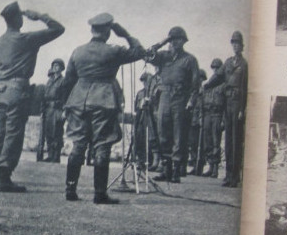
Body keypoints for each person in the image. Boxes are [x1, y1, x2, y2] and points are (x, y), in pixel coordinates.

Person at [60, 14, 144, 204]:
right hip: (104, 100)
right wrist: (126, 35)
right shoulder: (113, 51)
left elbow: (68, 81)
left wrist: (66, 104)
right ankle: (99, 193)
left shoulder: (78, 51)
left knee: (78, 145)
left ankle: (70, 189)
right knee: (102, 145)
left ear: (92, 30)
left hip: (79, 100)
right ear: (108, 31)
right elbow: (139, 52)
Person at [0, 1, 64, 192]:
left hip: (0, 91)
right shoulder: (26, 39)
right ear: (19, 19)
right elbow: (58, 29)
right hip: (18, 89)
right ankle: (4, 176)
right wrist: (40, 16)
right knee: (13, 132)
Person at [144, 26, 199, 183]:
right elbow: (147, 55)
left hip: (180, 98)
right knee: (162, 132)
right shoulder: (163, 56)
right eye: (172, 39)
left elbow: (195, 85)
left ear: (183, 41)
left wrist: (191, 101)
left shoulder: (190, 60)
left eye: (178, 39)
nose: (175, 42)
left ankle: (176, 171)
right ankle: (166, 168)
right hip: (164, 97)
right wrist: (162, 42)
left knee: (179, 134)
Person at [202, 30, 248, 187]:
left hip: (237, 103)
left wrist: (243, 108)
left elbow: (245, 87)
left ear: (242, 46)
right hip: (227, 103)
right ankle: (228, 176)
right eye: (233, 43)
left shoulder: (244, 64)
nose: (236, 46)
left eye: (238, 44)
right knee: (228, 141)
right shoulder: (228, 63)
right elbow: (218, 77)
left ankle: (235, 177)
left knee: (236, 141)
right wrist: (206, 85)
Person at [37, 59, 67, 163]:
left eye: (57, 65)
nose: (55, 67)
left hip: (57, 110)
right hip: (48, 110)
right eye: (54, 65)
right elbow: (44, 96)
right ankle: (50, 155)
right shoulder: (49, 81)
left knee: (56, 134)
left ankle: (55, 157)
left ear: (61, 68)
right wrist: (42, 111)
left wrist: (64, 111)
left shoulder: (63, 81)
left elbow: (65, 97)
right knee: (48, 134)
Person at [200, 58, 226, 179]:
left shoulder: (223, 85)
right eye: (214, 68)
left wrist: (223, 119)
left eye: (217, 68)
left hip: (217, 114)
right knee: (207, 143)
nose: (215, 70)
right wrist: (201, 116)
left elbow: (226, 104)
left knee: (216, 142)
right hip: (207, 114)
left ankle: (215, 168)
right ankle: (210, 166)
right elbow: (201, 102)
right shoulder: (209, 84)